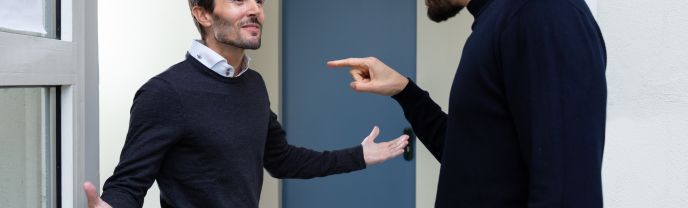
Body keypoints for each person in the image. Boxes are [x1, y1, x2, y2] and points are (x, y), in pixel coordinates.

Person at [83, 0, 409, 207]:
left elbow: (281, 160)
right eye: (239, 0)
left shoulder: (252, 83)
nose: (255, 9)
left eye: (259, 1)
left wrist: (357, 156)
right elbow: (129, 183)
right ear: (202, 13)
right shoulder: (166, 93)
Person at [328, 0, 607, 207]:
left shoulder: (543, 12)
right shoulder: (497, 20)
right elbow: (471, 158)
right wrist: (405, 91)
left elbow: (569, 191)